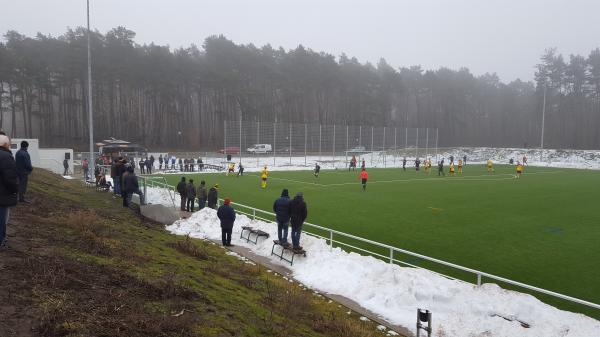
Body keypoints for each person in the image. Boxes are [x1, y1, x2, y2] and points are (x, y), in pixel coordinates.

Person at [0, 135, 18, 247]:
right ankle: (1, 241)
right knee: (2, 220)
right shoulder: (6, 156)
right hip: (2, 195)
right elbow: (10, 178)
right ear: (5, 145)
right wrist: (15, 189)